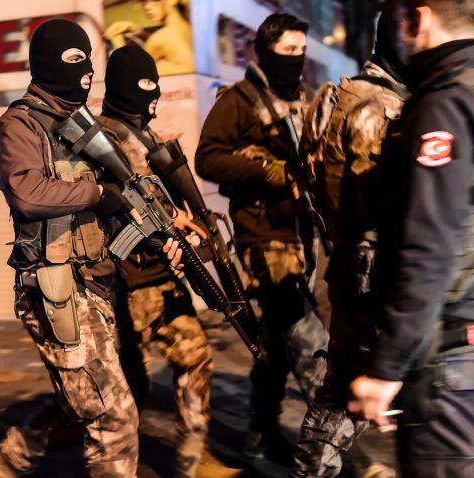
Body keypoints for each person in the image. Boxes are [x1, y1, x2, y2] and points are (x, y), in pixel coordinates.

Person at [0, 19, 183, 477]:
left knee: (81, 406)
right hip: (56, 288)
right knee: (113, 415)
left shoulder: (82, 125)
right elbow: (27, 191)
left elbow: (123, 204)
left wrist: (164, 238)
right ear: (47, 64)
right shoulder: (19, 125)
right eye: (74, 60)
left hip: (97, 285)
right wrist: (97, 194)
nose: (86, 73)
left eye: (88, 61)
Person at [347, 1, 474, 476]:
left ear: (421, 17)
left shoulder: (446, 104)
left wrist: (386, 368)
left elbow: (429, 246)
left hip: (451, 362)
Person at [194, 13, 329, 461]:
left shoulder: (304, 99)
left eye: (301, 51)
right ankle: (330, 451)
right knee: (310, 341)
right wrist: (268, 171)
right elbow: (207, 158)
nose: (297, 59)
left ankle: (260, 432)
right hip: (263, 236)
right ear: (266, 52)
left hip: (302, 234)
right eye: (288, 51)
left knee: (275, 343)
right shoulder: (239, 100)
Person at [291, 2, 407, 476]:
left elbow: (308, 176)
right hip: (374, 273)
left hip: (346, 261)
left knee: (342, 389)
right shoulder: (380, 108)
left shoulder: (332, 96)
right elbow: (382, 201)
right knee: (348, 394)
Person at [98, 44, 214, 477]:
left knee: (196, 357)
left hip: (159, 278)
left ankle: (189, 454)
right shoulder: (103, 139)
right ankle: (19, 456)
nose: (154, 97)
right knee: (125, 392)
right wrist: (167, 223)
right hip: (122, 287)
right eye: (146, 88)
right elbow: (110, 209)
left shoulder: (143, 135)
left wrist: (182, 221)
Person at [105, 0, 194, 75]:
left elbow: (128, 75)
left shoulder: (161, 37)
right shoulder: (189, 26)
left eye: (155, 0)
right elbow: (169, 45)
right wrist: (141, 33)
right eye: (143, 1)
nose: (147, 7)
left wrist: (116, 38)